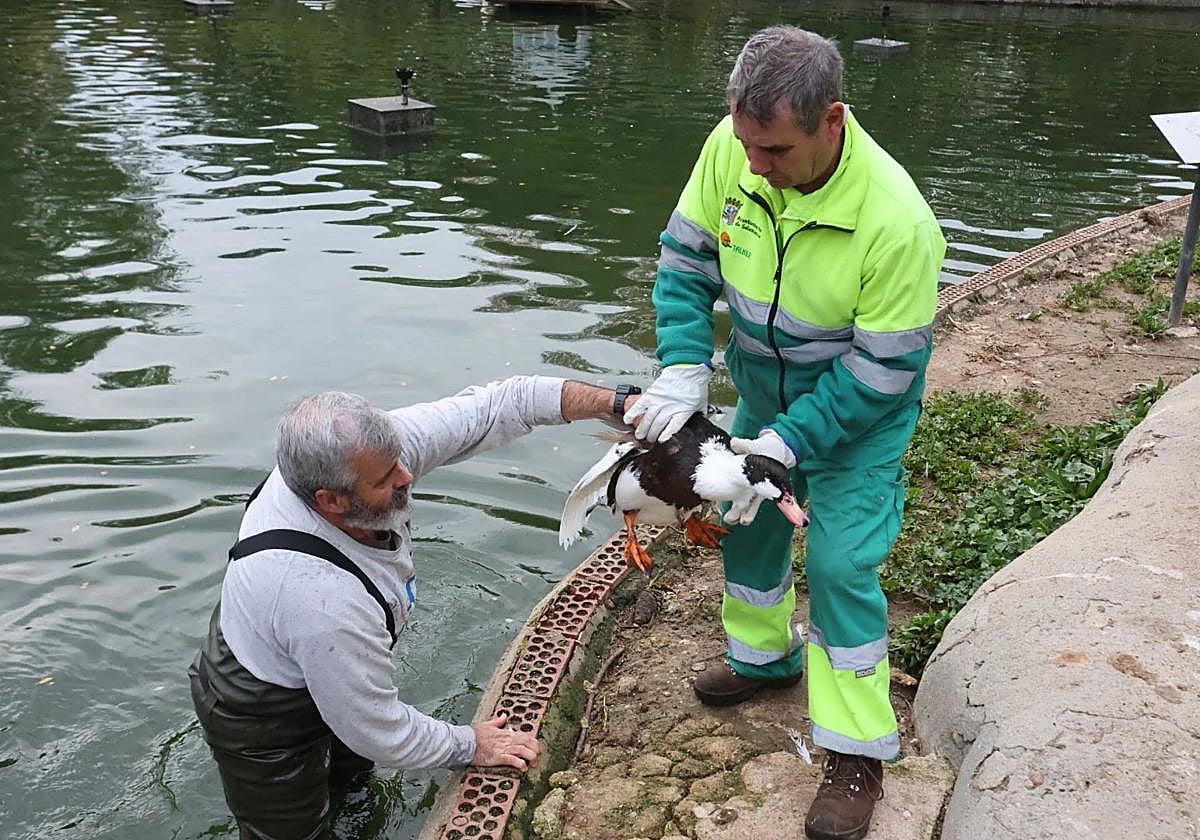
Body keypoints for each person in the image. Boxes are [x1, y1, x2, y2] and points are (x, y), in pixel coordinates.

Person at [623, 26, 945, 840]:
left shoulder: (897, 221)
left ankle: (856, 752)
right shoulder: (732, 149)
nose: (756, 165)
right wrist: (685, 364)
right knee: (749, 527)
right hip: (765, 391)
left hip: (859, 418)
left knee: (840, 565)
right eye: (747, 144)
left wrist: (791, 442)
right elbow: (684, 263)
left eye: (775, 150)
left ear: (832, 120)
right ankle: (763, 659)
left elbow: (881, 372)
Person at [189, 376, 640, 839]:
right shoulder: (318, 598)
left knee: (354, 788)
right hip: (260, 711)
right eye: (386, 479)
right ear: (330, 501)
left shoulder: (374, 457)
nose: (406, 476)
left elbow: (503, 404)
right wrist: (469, 744)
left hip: (314, 649)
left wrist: (616, 403)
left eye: (399, 462)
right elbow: (377, 731)